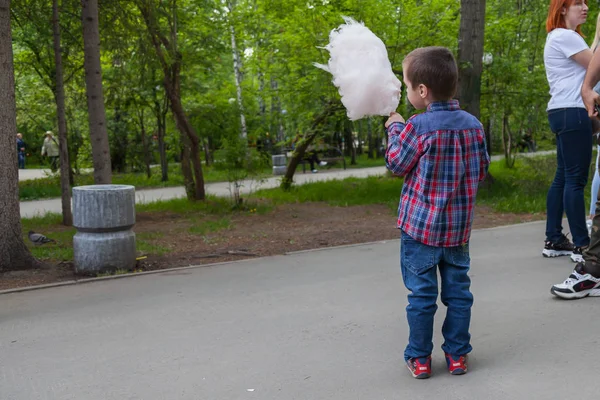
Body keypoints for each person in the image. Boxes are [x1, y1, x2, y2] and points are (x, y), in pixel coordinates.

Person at [384, 47, 490, 378]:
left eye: (407, 82)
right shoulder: (473, 126)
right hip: (457, 232)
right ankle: (457, 355)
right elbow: (481, 169)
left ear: (422, 91)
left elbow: (396, 163)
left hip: (420, 232)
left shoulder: (418, 126)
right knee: (459, 294)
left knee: (422, 296)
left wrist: (394, 129)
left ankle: (419, 358)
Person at [542, 0, 592, 264]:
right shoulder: (566, 36)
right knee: (575, 180)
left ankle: (554, 238)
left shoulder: (560, 37)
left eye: (585, 3)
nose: (584, 7)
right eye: (577, 3)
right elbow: (595, 65)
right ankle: (583, 246)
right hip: (574, 111)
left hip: (560, 111)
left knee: (563, 176)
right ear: (562, 9)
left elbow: (590, 60)